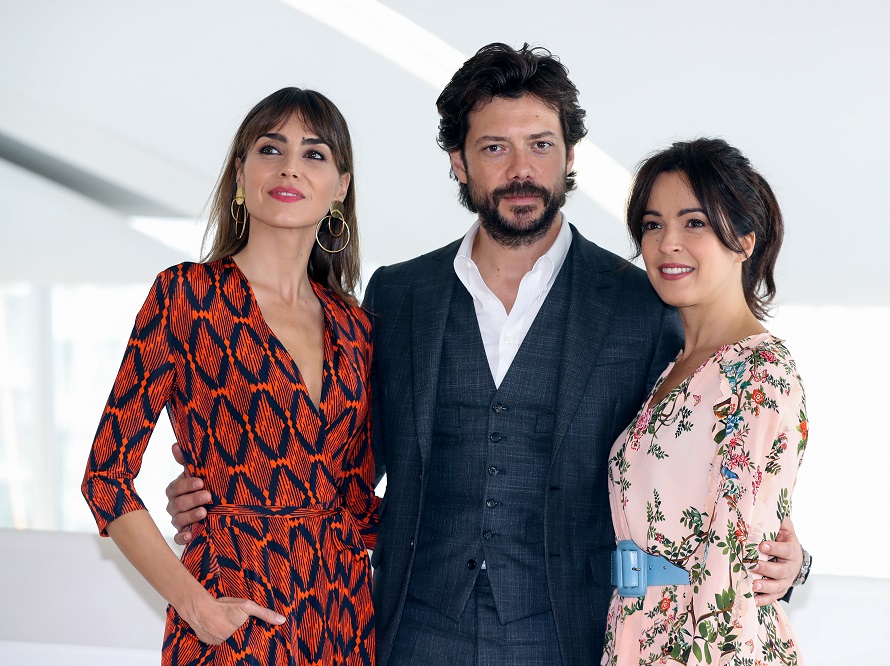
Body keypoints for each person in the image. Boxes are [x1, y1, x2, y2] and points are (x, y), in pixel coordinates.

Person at [167, 45, 806, 665]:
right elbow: (343, 454)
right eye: (495, 148)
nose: (520, 169)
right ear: (458, 162)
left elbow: (692, 459)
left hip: (570, 634)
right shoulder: (399, 293)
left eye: (541, 145)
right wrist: (224, 488)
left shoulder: (641, 304)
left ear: (570, 156)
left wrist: (792, 557)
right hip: (411, 631)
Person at [81, 87, 380, 665]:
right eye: (271, 148)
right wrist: (197, 607)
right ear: (240, 173)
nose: (290, 165)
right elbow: (105, 477)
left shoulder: (357, 327)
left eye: (314, 153)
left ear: (340, 187)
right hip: (234, 615)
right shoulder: (187, 296)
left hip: (344, 622)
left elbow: (355, 497)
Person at [604, 139, 806, 664]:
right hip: (639, 634)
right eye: (652, 224)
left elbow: (731, 574)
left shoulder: (756, 373)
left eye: (694, 222)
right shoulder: (678, 366)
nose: (668, 242)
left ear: (743, 240)